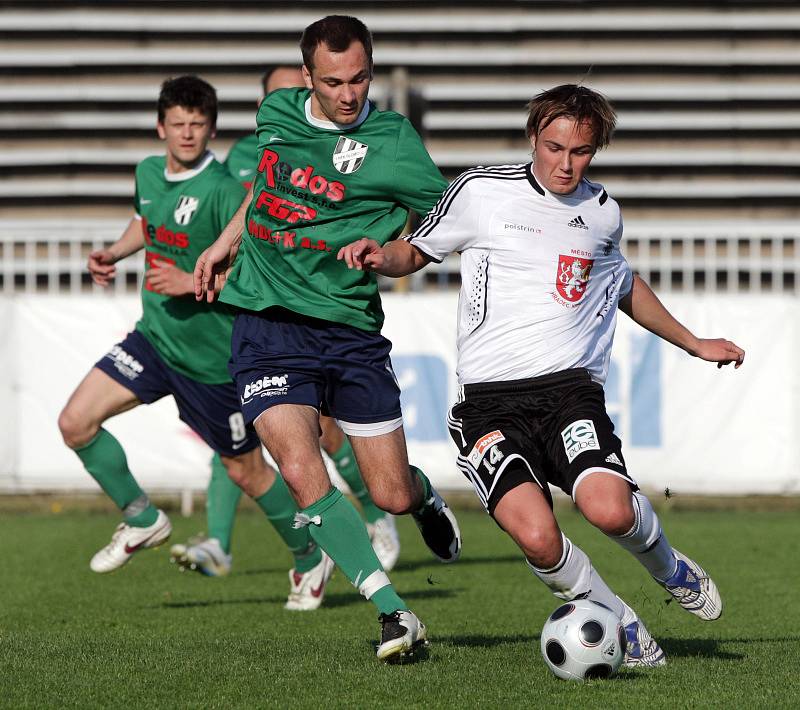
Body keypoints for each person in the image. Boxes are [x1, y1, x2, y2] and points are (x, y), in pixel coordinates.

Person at [338, 83, 746, 667]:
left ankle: (667, 564)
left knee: (607, 509)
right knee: (536, 535)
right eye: (554, 147)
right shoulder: (482, 192)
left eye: (580, 152)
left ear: (595, 150)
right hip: (485, 403)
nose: (565, 163)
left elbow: (622, 284)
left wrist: (693, 342)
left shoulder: (602, 212)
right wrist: (382, 255)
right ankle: (619, 621)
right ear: (534, 137)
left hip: (567, 393)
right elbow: (417, 251)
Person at [194, 15, 461, 662]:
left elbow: (448, 217)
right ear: (305, 77)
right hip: (266, 322)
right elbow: (261, 191)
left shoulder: (394, 141)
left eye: (361, 79)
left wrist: (394, 252)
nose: (349, 93)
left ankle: (423, 497)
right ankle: (394, 614)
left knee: (388, 493)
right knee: (297, 463)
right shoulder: (276, 115)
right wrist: (224, 244)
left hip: (348, 330)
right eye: (334, 81)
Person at [57, 75, 334, 611]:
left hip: (210, 361)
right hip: (155, 338)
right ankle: (141, 519)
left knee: (246, 472)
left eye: (198, 125)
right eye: (178, 124)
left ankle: (309, 557)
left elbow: (261, 271)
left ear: (211, 129)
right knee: (75, 423)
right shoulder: (146, 172)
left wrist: (193, 283)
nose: (187, 134)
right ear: (161, 127)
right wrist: (114, 253)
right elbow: (147, 221)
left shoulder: (225, 191)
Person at [172, 65, 400, 576]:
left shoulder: (354, 145)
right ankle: (224, 541)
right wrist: (219, 253)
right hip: (250, 307)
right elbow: (244, 211)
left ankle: (376, 513)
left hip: (322, 313)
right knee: (246, 432)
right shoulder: (249, 154)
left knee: (326, 431)